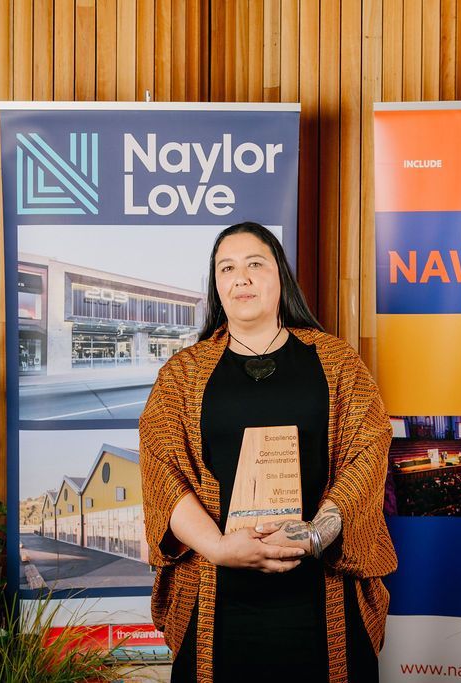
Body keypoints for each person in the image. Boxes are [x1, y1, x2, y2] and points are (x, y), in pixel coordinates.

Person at [139, 222, 396, 683]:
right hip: (218, 596)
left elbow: (368, 451)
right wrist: (219, 548)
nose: (241, 277)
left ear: (280, 275)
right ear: (216, 286)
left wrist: (315, 534)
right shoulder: (182, 373)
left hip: (322, 593)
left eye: (254, 264)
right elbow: (161, 470)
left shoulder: (337, 361)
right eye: (226, 268)